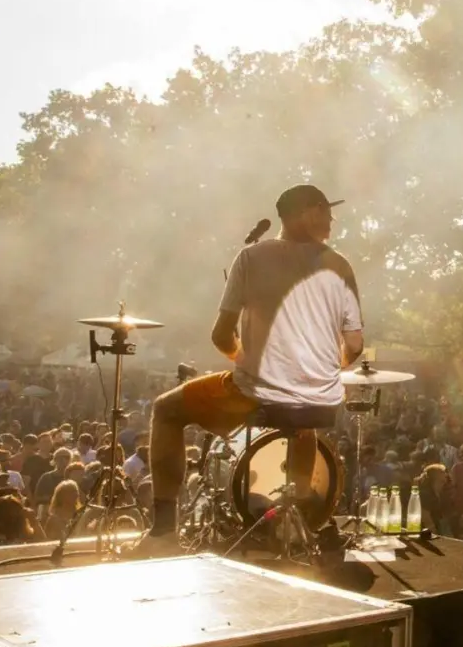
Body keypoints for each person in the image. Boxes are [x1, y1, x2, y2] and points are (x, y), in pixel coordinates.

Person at [131, 184, 365, 555]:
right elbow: (354, 347)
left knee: (166, 409)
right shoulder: (340, 265)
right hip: (316, 400)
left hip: (253, 392)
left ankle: (163, 533)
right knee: (303, 421)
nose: (332, 220)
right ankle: (298, 521)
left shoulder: (250, 258)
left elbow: (221, 335)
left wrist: (244, 359)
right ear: (306, 212)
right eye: (326, 211)